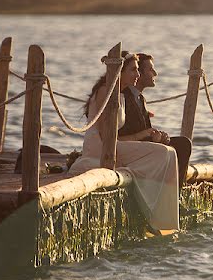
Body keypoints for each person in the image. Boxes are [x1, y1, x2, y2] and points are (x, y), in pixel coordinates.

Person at [70, 52, 179, 234]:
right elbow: (107, 137)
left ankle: (165, 220)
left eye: (138, 70)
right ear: (119, 72)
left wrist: (146, 136)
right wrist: (142, 136)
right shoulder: (106, 91)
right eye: (133, 70)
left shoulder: (119, 93)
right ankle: (149, 210)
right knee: (162, 153)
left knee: (170, 152)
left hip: (114, 144)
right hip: (100, 147)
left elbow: (117, 137)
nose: (137, 75)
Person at [119, 52, 193, 186]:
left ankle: (176, 191)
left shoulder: (140, 98)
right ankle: (172, 193)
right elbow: (124, 133)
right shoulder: (125, 97)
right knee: (182, 145)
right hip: (130, 149)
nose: (155, 73)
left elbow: (145, 131)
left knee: (182, 143)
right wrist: (153, 139)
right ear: (139, 74)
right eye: (150, 69)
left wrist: (161, 138)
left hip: (142, 144)